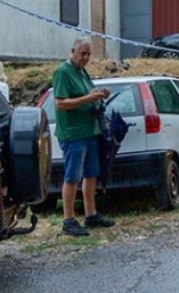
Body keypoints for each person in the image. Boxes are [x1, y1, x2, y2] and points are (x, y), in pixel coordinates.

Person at [53, 37, 115, 236]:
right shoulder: (63, 72)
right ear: (73, 51)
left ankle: (91, 214)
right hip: (73, 134)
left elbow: (88, 94)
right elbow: (60, 103)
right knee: (72, 176)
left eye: (88, 54)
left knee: (91, 174)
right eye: (82, 54)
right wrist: (88, 98)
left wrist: (99, 95)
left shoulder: (82, 71)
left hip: (90, 130)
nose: (86, 58)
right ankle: (68, 220)